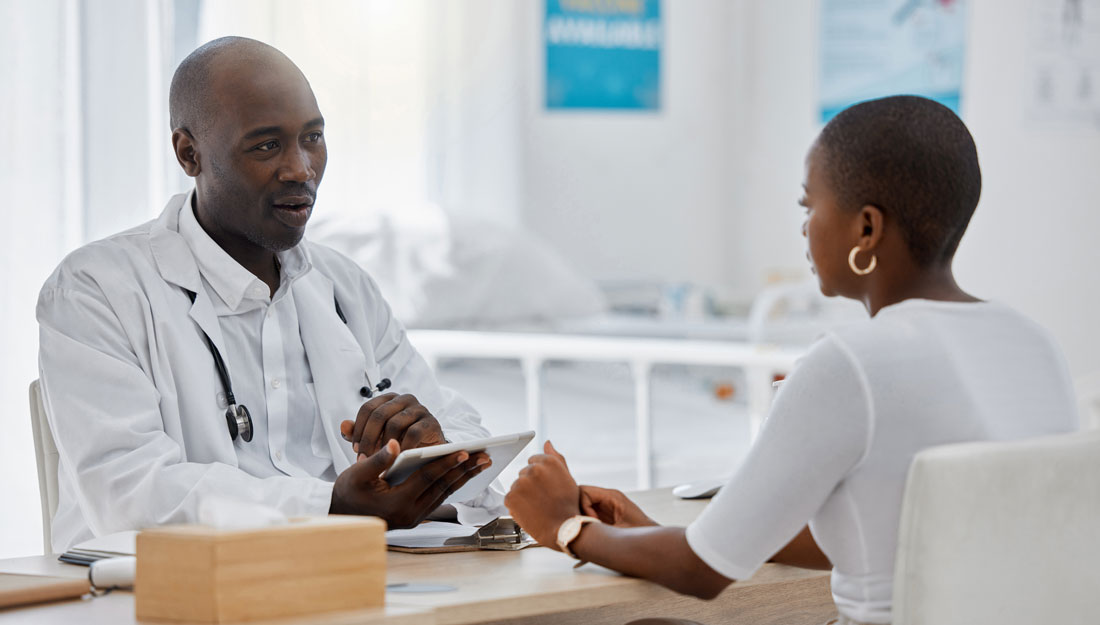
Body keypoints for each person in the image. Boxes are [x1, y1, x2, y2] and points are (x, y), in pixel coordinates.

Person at [504, 95, 1078, 625]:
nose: (804, 227)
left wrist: (567, 527)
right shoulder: (1033, 344)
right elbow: (897, 529)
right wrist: (674, 535)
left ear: (867, 228)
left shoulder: (851, 363)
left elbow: (701, 573)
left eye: (810, 204)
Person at [36, 36, 499, 553]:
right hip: (162, 593)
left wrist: (434, 451)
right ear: (189, 154)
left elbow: (460, 432)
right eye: (266, 145)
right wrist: (331, 507)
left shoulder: (344, 286)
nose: (301, 169)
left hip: (353, 575)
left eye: (313, 138)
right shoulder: (96, 290)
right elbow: (127, 493)